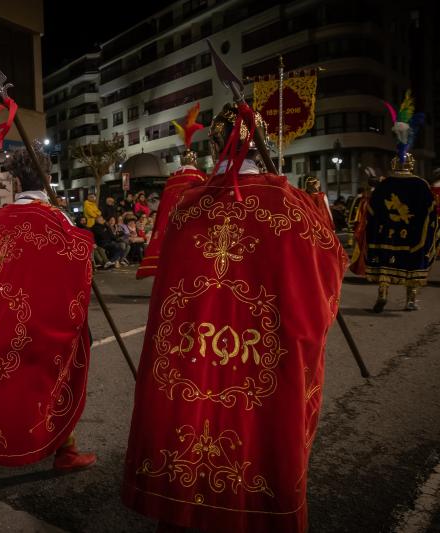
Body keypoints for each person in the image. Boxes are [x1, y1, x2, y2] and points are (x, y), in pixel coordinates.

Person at [122, 103, 346, 533]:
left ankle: (179, 507)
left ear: (214, 148)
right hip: (259, 353)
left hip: (192, 355)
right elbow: (328, 270)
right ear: (261, 149)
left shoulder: (187, 209)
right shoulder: (291, 209)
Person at [0, 145, 97, 492]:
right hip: (41, 323)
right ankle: (65, 451)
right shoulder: (59, 220)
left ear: (15, 180)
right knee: (58, 379)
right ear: (49, 178)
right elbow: (79, 260)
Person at [137, 109, 208, 279]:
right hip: (192, 220)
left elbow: (163, 207)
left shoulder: (172, 180)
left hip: (171, 221)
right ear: (195, 161)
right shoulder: (200, 177)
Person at [364, 153, 438, 312]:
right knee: (412, 265)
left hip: (385, 234)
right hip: (412, 235)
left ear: (394, 165)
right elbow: (430, 211)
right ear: (411, 165)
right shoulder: (420, 184)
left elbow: (371, 209)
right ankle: (410, 300)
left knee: (385, 263)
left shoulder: (384, 184)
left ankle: (382, 294)